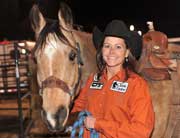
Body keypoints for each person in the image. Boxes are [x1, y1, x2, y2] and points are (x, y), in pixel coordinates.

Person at [71, 19, 155, 138]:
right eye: (107, 46)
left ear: (126, 53)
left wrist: (98, 124)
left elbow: (141, 131)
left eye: (118, 47)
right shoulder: (92, 80)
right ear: (102, 50)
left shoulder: (137, 85)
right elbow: (77, 111)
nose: (111, 52)